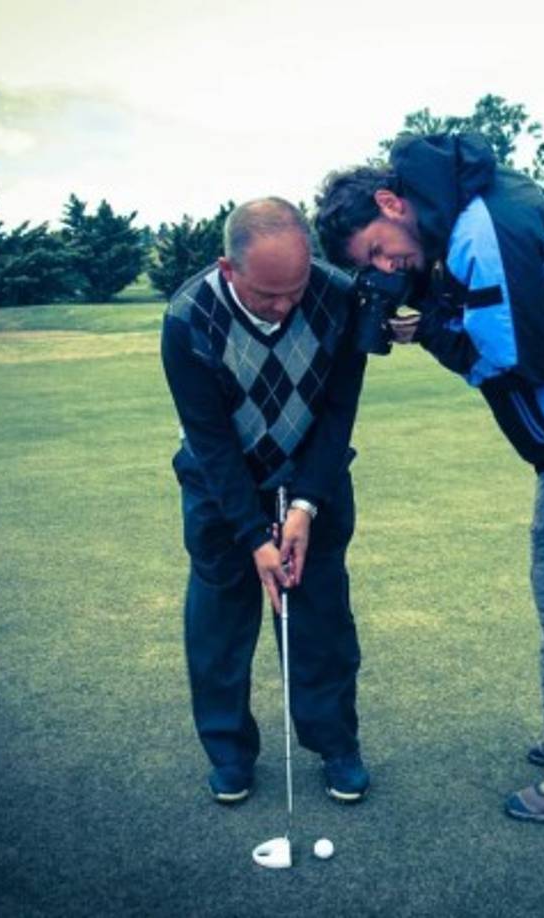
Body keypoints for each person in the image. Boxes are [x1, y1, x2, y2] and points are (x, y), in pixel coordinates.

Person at [315, 134, 544, 822]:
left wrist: (435, 329)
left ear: (393, 202)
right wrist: (427, 293)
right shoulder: (475, 203)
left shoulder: (480, 231)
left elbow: (520, 362)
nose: (388, 264)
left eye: (381, 247)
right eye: (373, 265)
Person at [161, 198, 370, 805]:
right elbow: (210, 442)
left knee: (322, 618)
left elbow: (338, 414)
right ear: (229, 269)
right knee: (220, 625)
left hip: (314, 478)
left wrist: (304, 504)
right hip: (219, 484)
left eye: (295, 290)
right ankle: (228, 754)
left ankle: (336, 745)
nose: (284, 307)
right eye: (267, 295)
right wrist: (255, 536)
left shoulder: (338, 298)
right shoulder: (188, 318)